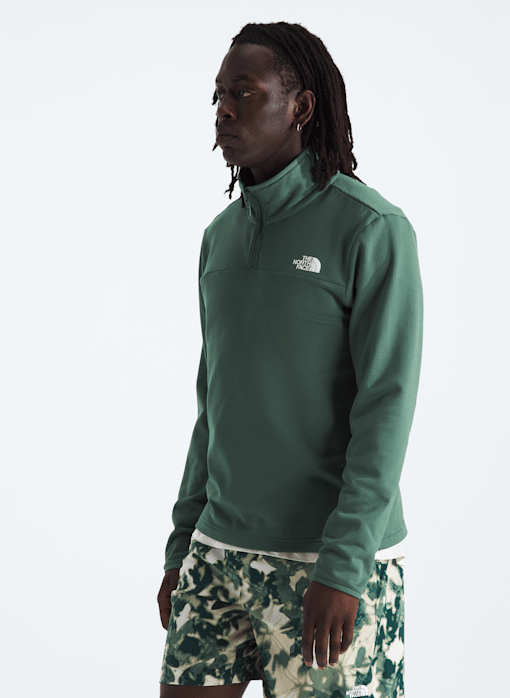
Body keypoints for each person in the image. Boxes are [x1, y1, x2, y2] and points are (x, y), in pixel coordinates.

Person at [157, 21, 423, 698]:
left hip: (325, 560)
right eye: (218, 95)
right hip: (218, 550)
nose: (223, 110)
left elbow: (386, 409)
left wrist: (344, 565)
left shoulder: (371, 229)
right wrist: (184, 541)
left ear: (301, 106)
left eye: (243, 93)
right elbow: (214, 401)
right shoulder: (220, 238)